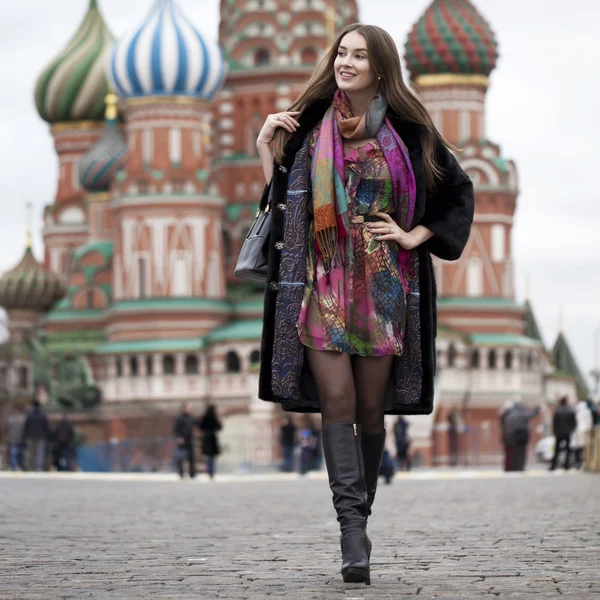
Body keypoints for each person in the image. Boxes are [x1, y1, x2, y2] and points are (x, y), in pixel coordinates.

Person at [254, 24, 474, 584]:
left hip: (382, 285)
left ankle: (362, 515)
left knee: (371, 412)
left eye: (358, 55)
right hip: (321, 280)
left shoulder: (409, 130)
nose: (345, 63)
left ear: (380, 67)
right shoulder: (306, 126)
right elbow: (283, 204)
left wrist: (415, 236)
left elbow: (457, 193)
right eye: (340, 53)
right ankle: (352, 533)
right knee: (337, 401)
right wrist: (265, 149)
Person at [504, 403, 540, 471]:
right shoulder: (521, 414)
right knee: (522, 453)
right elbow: (532, 414)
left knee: (515, 453)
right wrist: (537, 409)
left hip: (513, 437)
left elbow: (508, 428)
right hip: (523, 436)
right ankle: (521, 467)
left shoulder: (510, 416)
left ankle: (514, 467)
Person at [549, 397, 576, 471]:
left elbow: (555, 423)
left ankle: (553, 466)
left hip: (559, 433)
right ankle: (567, 466)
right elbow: (574, 423)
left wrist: (554, 431)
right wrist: (571, 430)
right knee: (568, 450)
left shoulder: (557, 411)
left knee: (557, 450)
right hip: (567, 433)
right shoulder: (570, 411)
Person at [23, 399, 50, 471]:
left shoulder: (29, 414)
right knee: (40, 452)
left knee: (31, 452)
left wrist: (26, 435)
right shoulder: (43, 414)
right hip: (41, 436)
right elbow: (46, 426)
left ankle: (30, 467)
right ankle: (38, 467)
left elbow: (26, 426)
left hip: (30, 436)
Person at [198, 405, 222, 479]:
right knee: (212, 457)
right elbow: (219, 427)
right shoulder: (214, 418)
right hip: (212, 438)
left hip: (206, 438)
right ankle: (211, 472)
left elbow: (201, 427)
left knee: (208, 457)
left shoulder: (204, 417)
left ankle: (209, 472)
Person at [174, 402, 196, 479]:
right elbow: (176, 429)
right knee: (181, 457)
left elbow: (197, 425)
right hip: (182, 440)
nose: (189, 409)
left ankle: (192, 474)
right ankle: (181, 473)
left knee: (191, 457)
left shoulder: (191, 417)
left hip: (190, 439)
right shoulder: (179, 418)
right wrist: (179, 437)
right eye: (188, 407)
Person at [573, 398, 593, 469]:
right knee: (584, 448)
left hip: (579, 431)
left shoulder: (578, 413)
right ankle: (583, 462)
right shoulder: (587, 412)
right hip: (584, 431)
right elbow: (589, 422)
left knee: (579, 448)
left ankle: (579, 463)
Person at [4, 407, 26, 471]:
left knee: (13, 453)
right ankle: (18, 465)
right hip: (20, 439)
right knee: (19, 453)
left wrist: (7, 438)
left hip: (12, 439)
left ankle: (14, 466)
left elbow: (7, 430)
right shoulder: (23, 420)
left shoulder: (10, 420)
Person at [499, 400, 515, 472]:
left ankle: (508, 467)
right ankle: (508, 468)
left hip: (506, 437)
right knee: (509, 453)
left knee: (508, 453)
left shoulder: (503, 415)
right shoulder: (507, 416)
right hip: (508, 437)